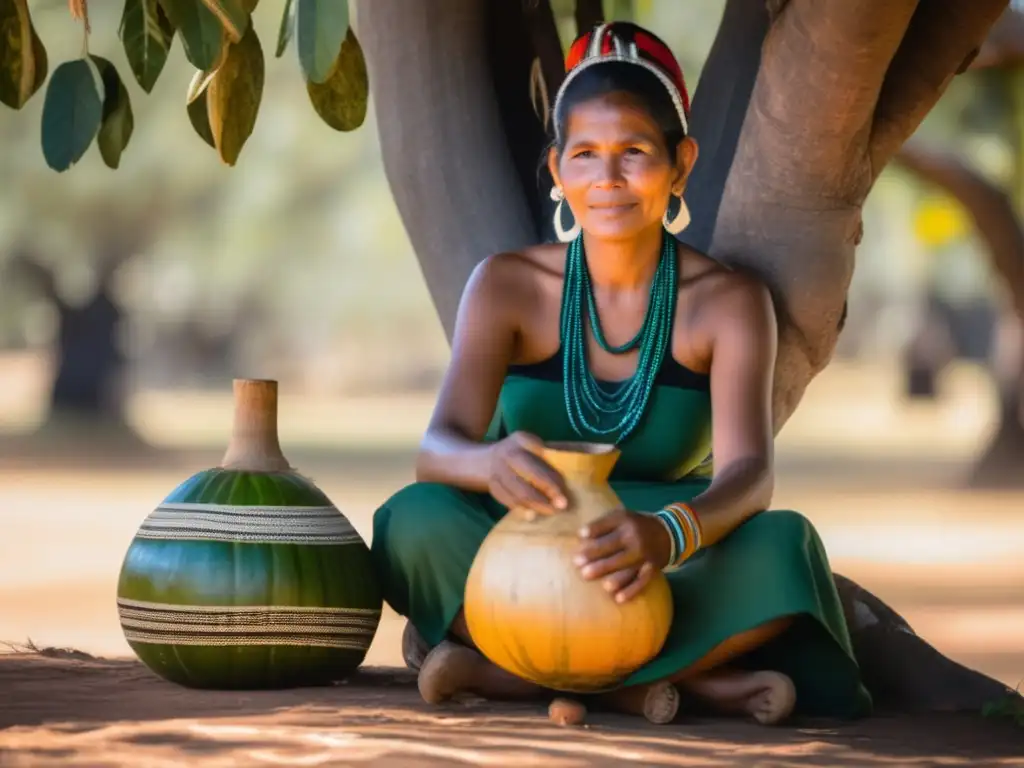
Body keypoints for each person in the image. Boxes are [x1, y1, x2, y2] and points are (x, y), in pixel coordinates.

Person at [370, 21, 872, 725]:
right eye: (585, 155)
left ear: (681, 163)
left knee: (784, 547)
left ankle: (512, 674)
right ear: (557, 169)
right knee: (412, 522)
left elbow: (749, 475)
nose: (607, 180)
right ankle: (678, 686)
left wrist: (667, 534)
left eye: (634, 152)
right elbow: (436, 450)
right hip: (529, 546)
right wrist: (489, 463)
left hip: (656, 555)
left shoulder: (727, 302)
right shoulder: (506, 285)